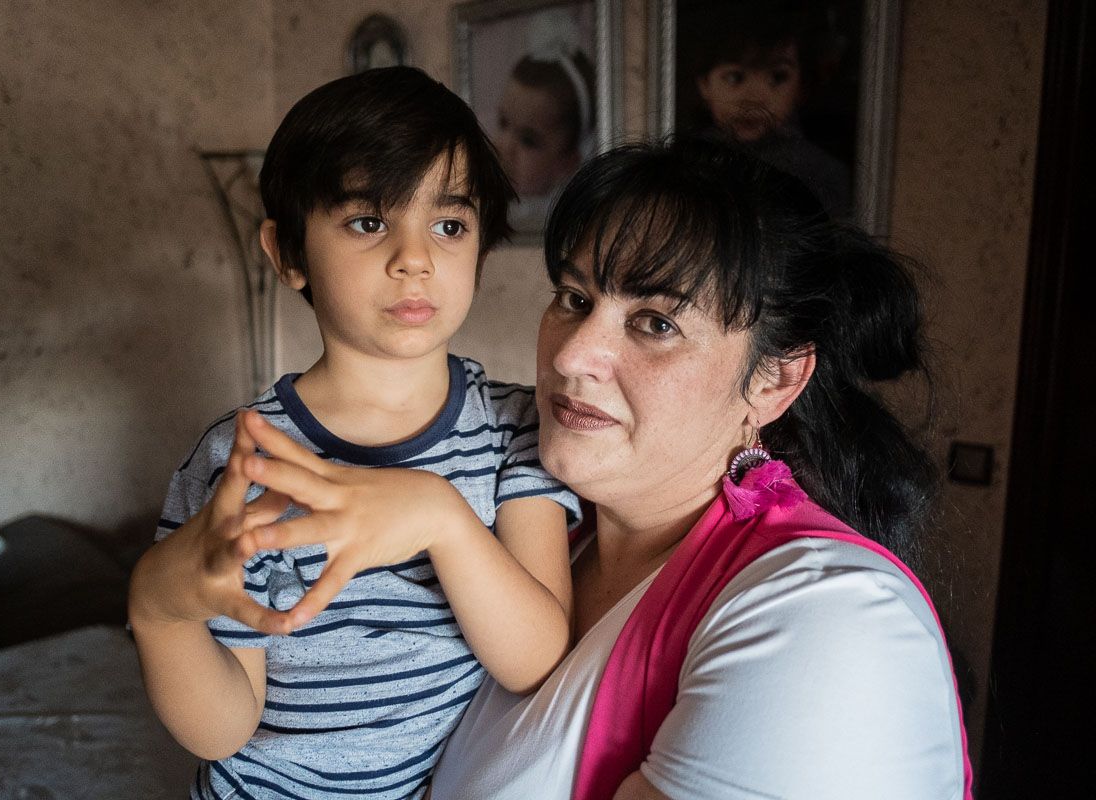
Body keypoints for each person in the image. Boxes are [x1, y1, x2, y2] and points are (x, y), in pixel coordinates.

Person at [240, 137, 974, 799]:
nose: (570, 355)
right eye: (574, 298)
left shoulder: (825, 618)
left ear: (774, 380)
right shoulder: (534, 526)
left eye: (656, 323)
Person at [128, 66, 580, 800]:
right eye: (369, 222)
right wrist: (158, 612)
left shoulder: (514, 429)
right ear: (288, 254)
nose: (415, 259)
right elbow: (224, 731)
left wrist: (440, 516)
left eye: (449, 225)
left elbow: (535, 659)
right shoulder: (242, 459)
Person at [679, 0, 853, 218]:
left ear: (802, 87)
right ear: (704, 85)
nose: (754, 98)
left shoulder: (822, 173)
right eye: (735, 78)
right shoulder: (685, 163)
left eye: (777, 77)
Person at [494, 45, 595, 233]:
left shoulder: (563, 222)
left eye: (528, 140)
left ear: (568, 162)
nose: (505, 147)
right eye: (503, 123)